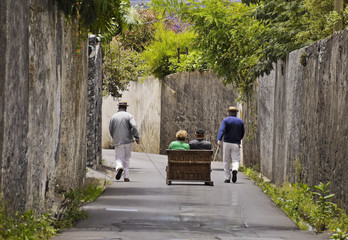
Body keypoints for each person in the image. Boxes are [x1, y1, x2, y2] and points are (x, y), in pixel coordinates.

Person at [109, 101, 140, 182]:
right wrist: (136, 137)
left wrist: (114, 137)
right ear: (126, 107)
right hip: (128, 141)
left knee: (119, 157)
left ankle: (119, 167)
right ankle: (126, 177)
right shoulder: (129, 116)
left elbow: (111, 129)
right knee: (126, 158)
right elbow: (133, 126)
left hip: (118, 141)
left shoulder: (113, 117)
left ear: (118, 107)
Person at [217, 106, 245, 183]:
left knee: (226, 160)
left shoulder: (226, 120)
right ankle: (235, 169)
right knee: (235, 159)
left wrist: (219, 139)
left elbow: (222, 130)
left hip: (226, 142)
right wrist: (239, 139)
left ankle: (227, 178)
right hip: (236, 143)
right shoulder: (240, 121)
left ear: (229, 112)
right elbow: (243, 132)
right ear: (236, 113)